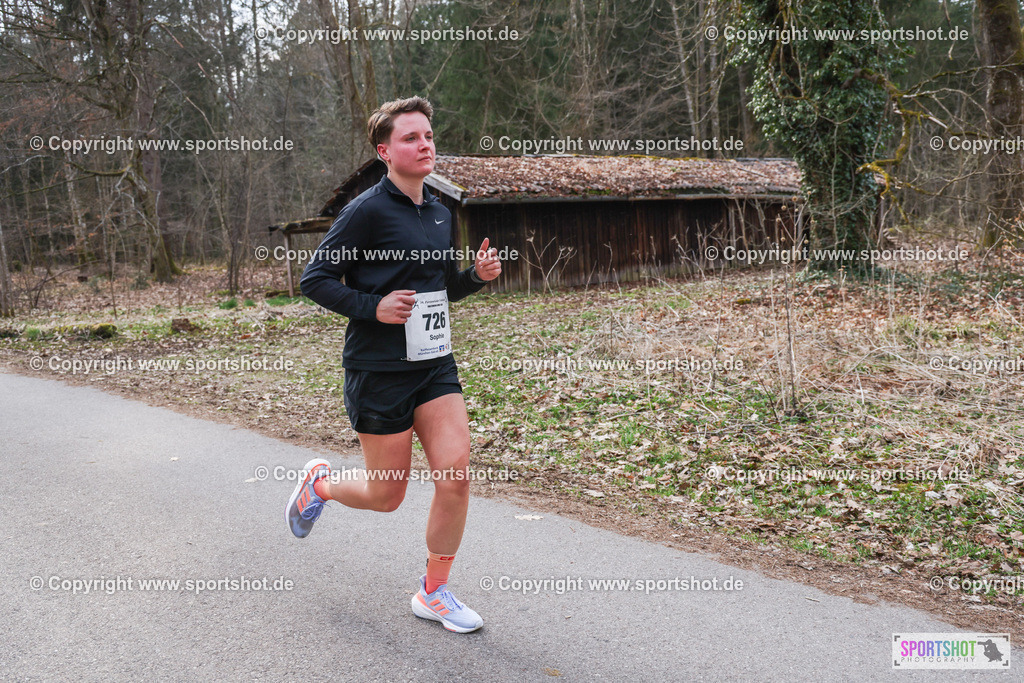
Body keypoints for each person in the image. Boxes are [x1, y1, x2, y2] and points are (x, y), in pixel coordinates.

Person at [285, 96, 501, 633]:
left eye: (428, 135)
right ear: (385, 152)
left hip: (433, 365)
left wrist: (474, 277)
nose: (424, 144)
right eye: (411, 138)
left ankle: (434, 592)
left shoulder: (439, 212)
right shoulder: (365, 212)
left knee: (455, 474)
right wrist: (372, 308)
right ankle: (320, 486)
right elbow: (314, 280)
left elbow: (438, 290)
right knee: (387, 495)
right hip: (378, 371)